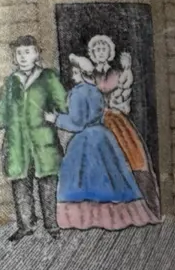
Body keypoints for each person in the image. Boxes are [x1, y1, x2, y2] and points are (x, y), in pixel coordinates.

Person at [0, 36, 68, 243]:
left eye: (27, 52)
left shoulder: (48, 77)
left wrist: (57, 116)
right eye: (19, 53)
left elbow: (63, 103)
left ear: (37, 54)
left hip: (43, 144)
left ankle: (52, 226)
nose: (23, 57)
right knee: (20, 185)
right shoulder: (11, 82)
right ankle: (26, 225)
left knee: (47, 184)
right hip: (17, 144)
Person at [48, 55, 159, 231]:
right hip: (103, 136)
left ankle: (84, 217)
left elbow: (77, 122)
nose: (73, 74)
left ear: (80, 73)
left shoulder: (78, 93)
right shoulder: (95, 91)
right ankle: (118, 215)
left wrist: (55, 119)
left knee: (81, 178)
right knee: (112, 176)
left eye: (75, 71)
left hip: (85, 140)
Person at [87, 34, 161, 218]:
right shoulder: (88, 74)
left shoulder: (117, 74)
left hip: (115, 121)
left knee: (131, 156)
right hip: (95, 122)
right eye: (97, 49)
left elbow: (108, 89)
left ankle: (140, 206)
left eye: (104, 49)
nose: (100, 52)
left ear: (110, 53)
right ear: (92, 54)